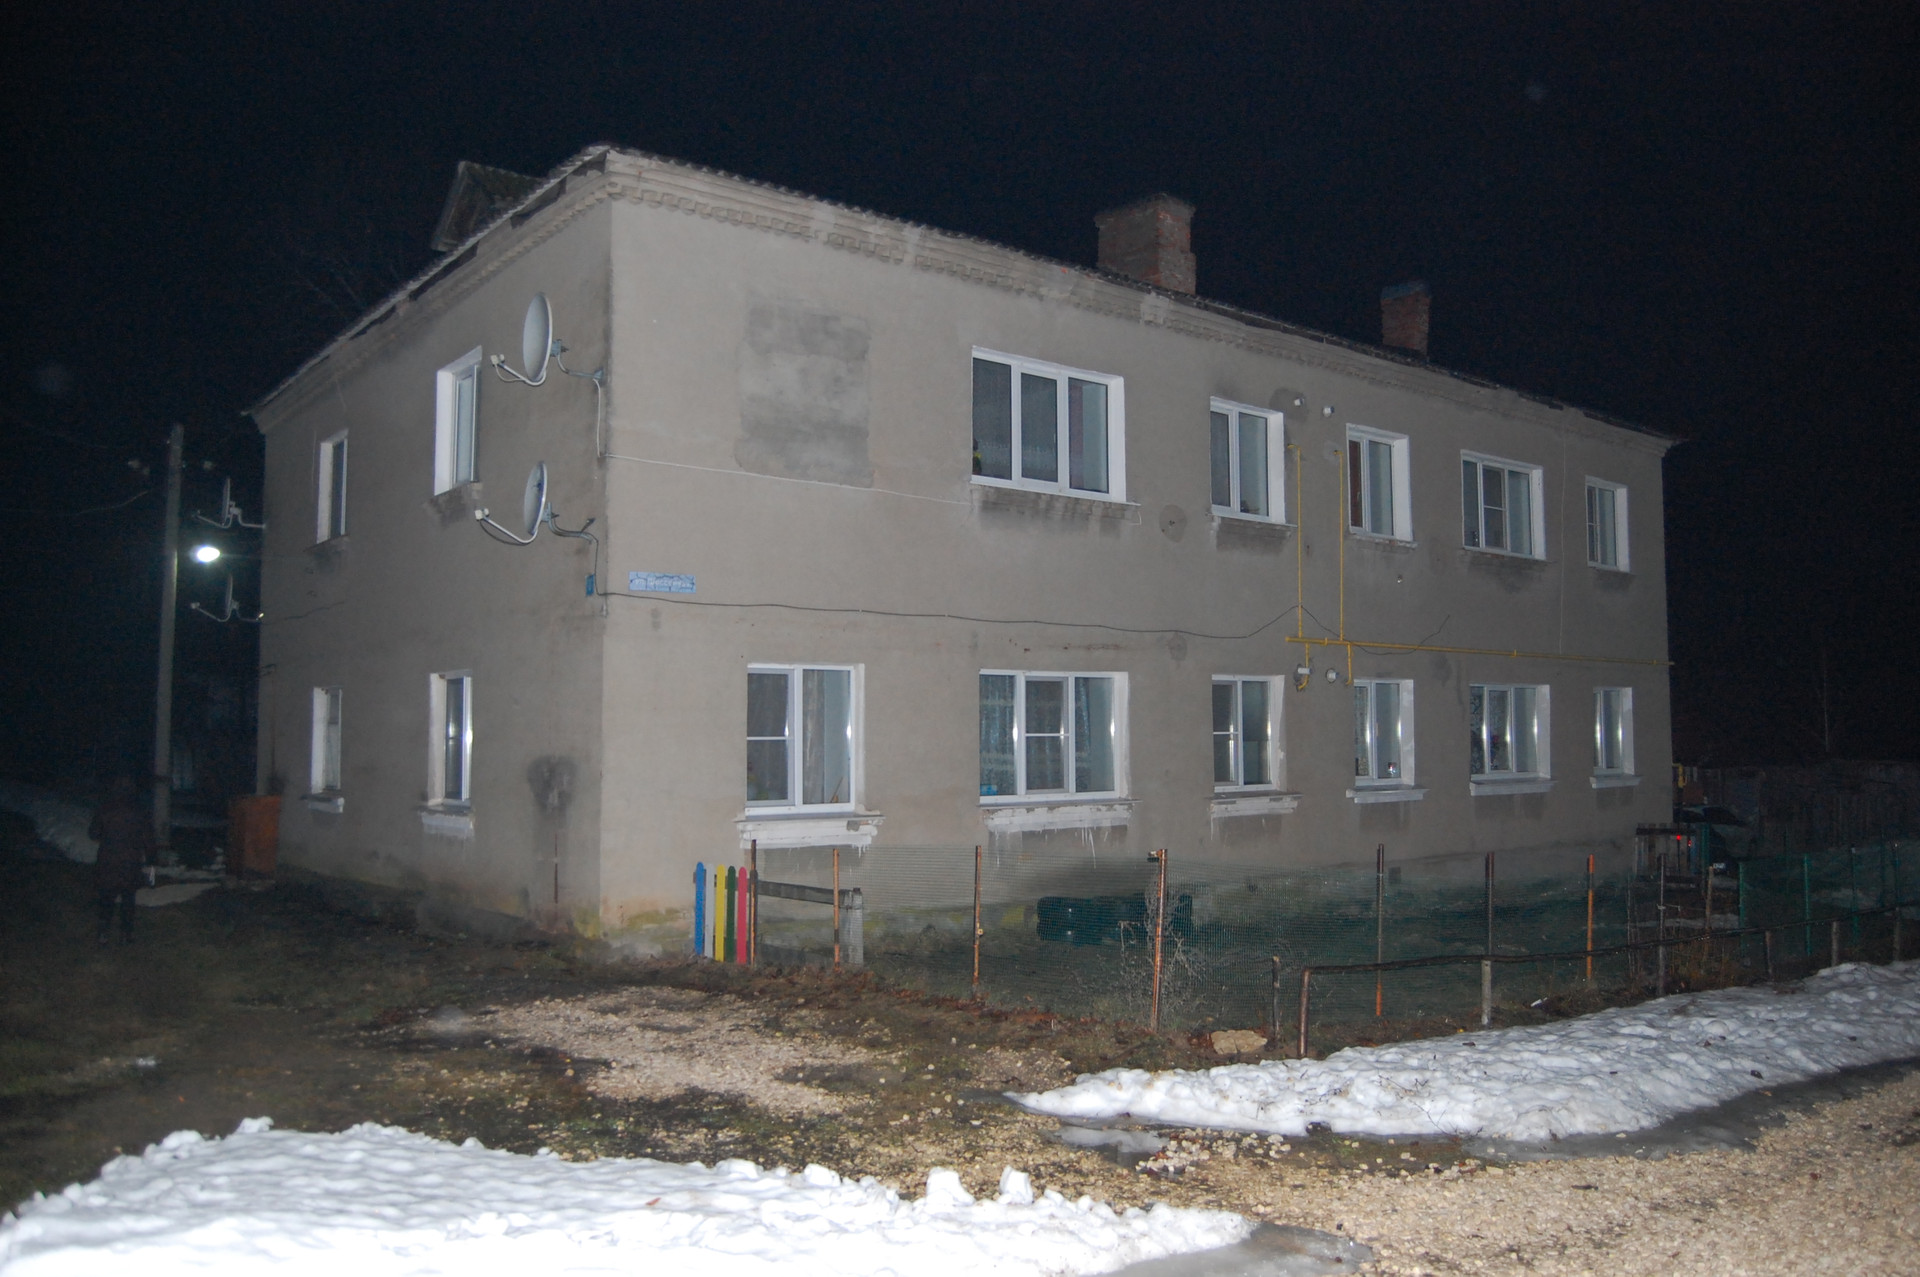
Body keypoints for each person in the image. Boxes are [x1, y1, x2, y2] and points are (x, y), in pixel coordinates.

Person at [88, 776, 154, 945]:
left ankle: (103, 933)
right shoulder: (139, 810)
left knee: (106, 896)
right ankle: (126, 934)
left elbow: (93, 833)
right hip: (130, 860)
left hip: (108, 859)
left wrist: (108, 836)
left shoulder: (105, 808)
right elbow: (148, 839)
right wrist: (151, 860)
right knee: (128, 897)